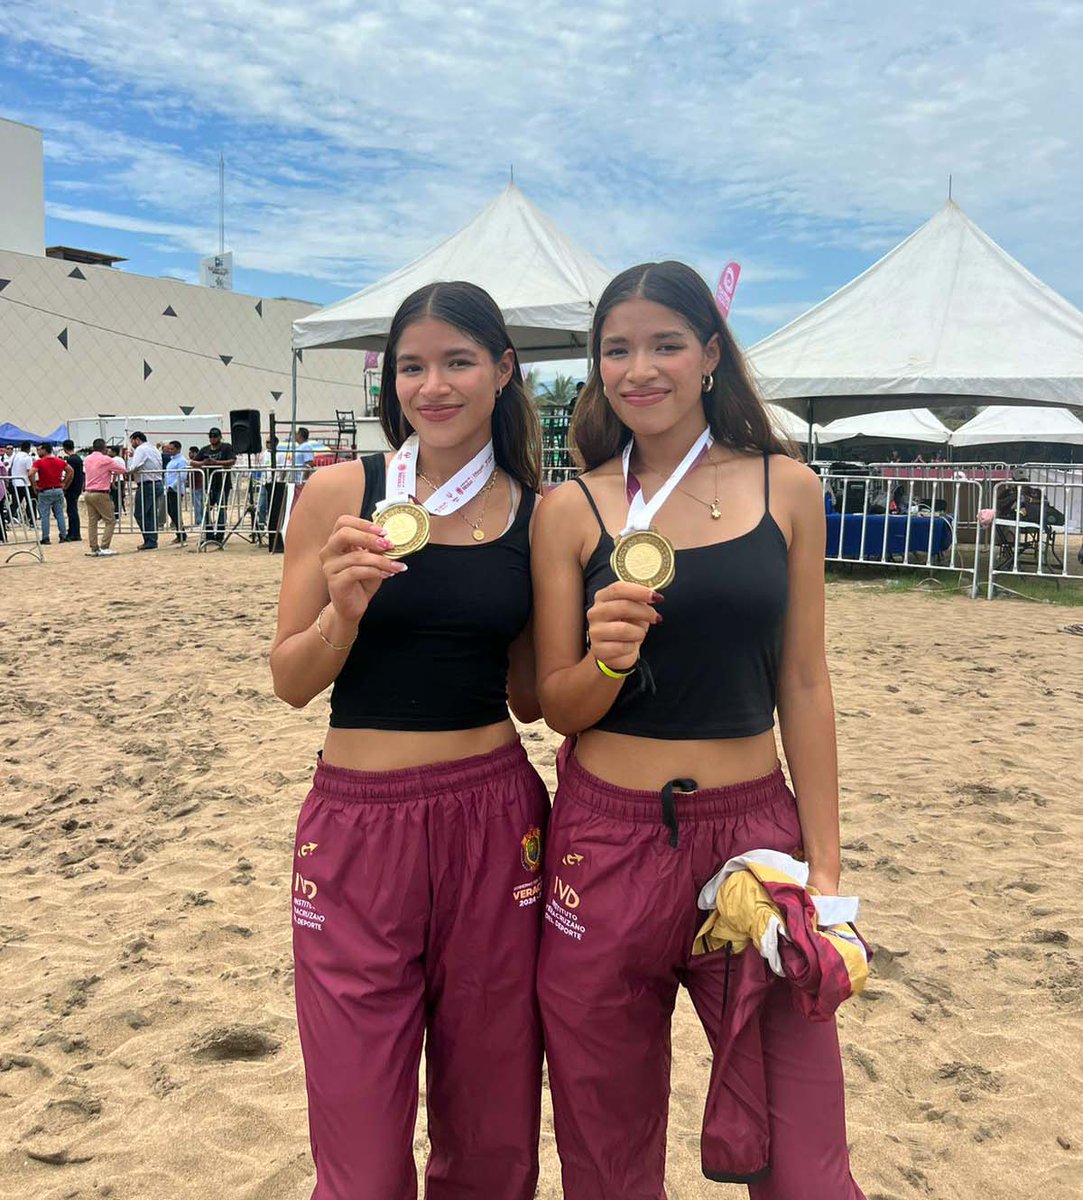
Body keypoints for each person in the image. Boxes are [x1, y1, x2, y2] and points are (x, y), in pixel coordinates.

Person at [532, 261, 865, 1199]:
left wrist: (826, 871)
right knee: (606, 1147)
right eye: (616, 349)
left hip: (755, 843)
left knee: (804, 1158)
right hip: (606, 841)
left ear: (711, 355)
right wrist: (603, 659)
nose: (640, 368)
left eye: (666, 344)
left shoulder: (787, 488)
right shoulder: (572, 509)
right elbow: (557, 708)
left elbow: (804, 681)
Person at [271, 281, 548, 1200]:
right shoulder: (339, 494)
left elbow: (533, 697)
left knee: (492, 1115)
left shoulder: (535, 513)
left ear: (503, 371)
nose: (432, 386)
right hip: (357, 824)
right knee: (357, 1125)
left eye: (458, 362)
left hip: (493, 816)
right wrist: (343, 616)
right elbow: (290, 682)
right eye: (412, 366)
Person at [83, 437, 127, 556]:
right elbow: (122, 470)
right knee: (110, 520)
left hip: (88, 492)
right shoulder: (106, 460)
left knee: (92, 522)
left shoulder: (87, 459)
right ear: (104, 448)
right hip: (101, 492)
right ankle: (104, 546)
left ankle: (94, 547)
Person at [195, 427, 236, 542]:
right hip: (209, 485)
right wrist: (203, 463)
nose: (213, 438)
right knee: (205, 509)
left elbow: (232, 460)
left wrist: (216, 463)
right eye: (211, 436)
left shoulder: (226, 447)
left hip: (223, 484)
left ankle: (219, 535)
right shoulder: (205, 449)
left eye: (215, 436)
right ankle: (209, 534)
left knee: (221, 510)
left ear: (219, 436)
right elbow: (193, 461)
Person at [28, 442, 73, 544]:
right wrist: (65, 483)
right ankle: (63, 535)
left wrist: (34, 485)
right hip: (58, 489)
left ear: (45, 450)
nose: (38, 451)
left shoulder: (39, 462)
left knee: (45, 515)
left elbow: (31, 473)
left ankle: (45, 537)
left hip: (45, 490)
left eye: (39, 449)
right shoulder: (59, 461)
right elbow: (70, 471)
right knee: (60, 513)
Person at [127, 431, 164, 550]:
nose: (132, 444)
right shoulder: (153, 448)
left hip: (147, 484)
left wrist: (126, 470)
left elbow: (135, 466)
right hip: (156, 483)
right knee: (151, 513)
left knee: (140, 513)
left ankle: (149, 539)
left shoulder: (141, 449)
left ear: (137, 440)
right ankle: (152, 539)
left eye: (132, 441)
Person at [163, 440, 189, 543]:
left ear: (178, 449)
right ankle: (180, 533)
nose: (169, 450)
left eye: (172, 449)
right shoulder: (172, 460)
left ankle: (181, 534)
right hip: (169, 489)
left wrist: (172, 486)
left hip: (176, 489)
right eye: (169, 449)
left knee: (175, 511)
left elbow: (182, 476)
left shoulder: (181, 460)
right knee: (171, 511)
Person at [61, 439, 85, 542]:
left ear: (65, 448)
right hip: (77, 487)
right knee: (72, 510)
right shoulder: (78, 459)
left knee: (72, 511)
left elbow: (70, 475)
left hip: (72, 488)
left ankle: (74, 533)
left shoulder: (71, 460)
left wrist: (65, 486)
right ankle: (74, 531)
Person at [10, 441, 34, 523]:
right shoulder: (27, 457)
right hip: (26, 483)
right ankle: (31, 520)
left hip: (15, 483)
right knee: (30, 502)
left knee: (15, 503)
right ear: (29, 448)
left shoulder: (15, 456)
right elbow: (29, 472)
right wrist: (33, 484)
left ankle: (7, 519)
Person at [187, 445, 206, 527]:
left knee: (198, 504)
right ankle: (203, 520)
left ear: (195, 453)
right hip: (198, 485)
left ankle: (199, 521)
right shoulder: (199, 462)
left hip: (197, 485)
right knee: (201, 504)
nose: (189, 454)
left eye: (190, 452)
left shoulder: (195, 462)